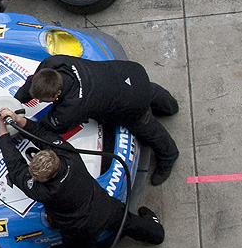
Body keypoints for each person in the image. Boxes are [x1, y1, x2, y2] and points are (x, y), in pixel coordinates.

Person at [0, 108, 164, 248]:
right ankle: (156, 234)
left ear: (47, 178)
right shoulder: (68, 155)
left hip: (79, 231)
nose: (34, 179)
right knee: (128, 222)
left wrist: (2, 132)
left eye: (37, 178)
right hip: (103, 206)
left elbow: (15, 167)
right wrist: (19, 119)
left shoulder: (44, 192)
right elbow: (42, 135)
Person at [14, 55, 180, 186]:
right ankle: (170, 106)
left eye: (43, 100)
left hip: (131, 101)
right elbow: (34, 81)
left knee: (146, 126)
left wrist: (19, 124)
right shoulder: (53, 63)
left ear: (56, 95)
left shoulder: (71, 108)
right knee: (148, 90)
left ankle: (169, 155)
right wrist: (17, 101)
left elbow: (47, 127)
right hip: (129, 72)